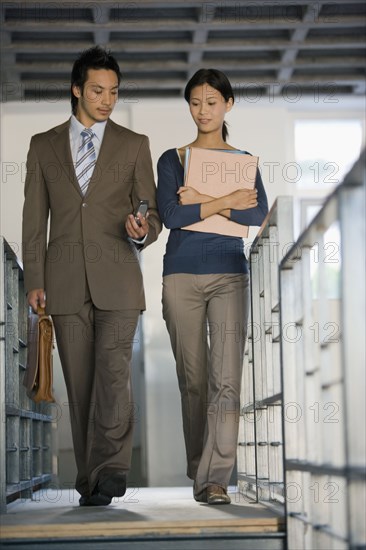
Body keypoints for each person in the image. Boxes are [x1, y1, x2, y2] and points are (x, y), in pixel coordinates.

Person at [22, 46, 161, 506]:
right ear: (77, 89)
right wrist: (34, 278)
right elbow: (32, 219)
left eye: (114, 92)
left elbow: (153, 214)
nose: (107, 100)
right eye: (98, 91)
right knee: (79, 386)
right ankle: (90, 480)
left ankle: (113, 468)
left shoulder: (133, 144)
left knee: (113, 376)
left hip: (119, 278)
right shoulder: (43, 145)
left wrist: (142, 229)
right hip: (62, 282)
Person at [157, 69, 268, 505]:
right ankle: (199, 466)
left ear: (228, 104)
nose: (203, 111)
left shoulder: (244, 160)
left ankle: (214, 478)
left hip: (228, 273)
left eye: (212, 102)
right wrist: (225, 202)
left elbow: (256, 216)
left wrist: (200, 199)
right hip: (180, 274)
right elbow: (171, 215)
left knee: (227, 380)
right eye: (196, 103)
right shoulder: (173, 158)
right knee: (194, 380)